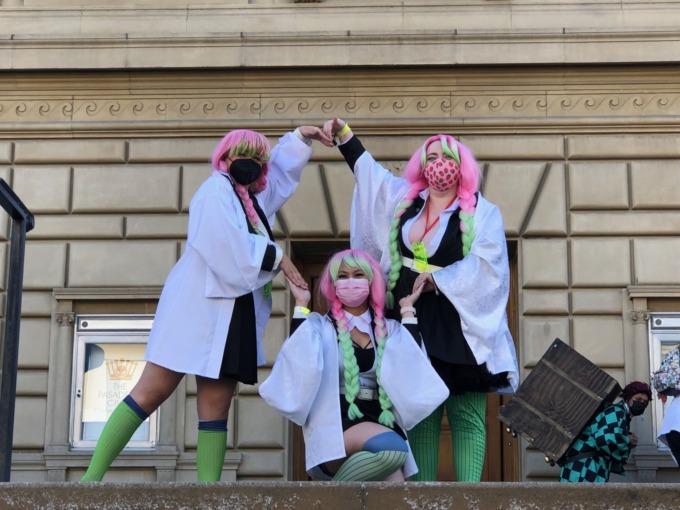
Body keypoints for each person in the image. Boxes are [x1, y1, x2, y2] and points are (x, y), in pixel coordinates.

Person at [81, 126, 333, 482]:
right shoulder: (215, 191)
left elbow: (276, 176)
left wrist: (300, 138)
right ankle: (90, 481)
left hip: (233, 312)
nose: (251, 164)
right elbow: (222, 242)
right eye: (242, 156)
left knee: (215, 407)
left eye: (257, 159)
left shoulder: (252, 199)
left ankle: (208, 495)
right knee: (152, 390)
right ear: (225, 158)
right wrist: (278, 257)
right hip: (197, 309)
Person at [321, 118, 519, 482]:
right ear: (420, 165)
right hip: (410, 320)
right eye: (430, 157)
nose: (437, 164)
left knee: (466, 416)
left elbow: (489, 264)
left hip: (459, 324)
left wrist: (440, 278)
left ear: (461, 166)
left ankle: (467, 500)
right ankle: (423, 498)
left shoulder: (483, 212)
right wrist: (346, 138)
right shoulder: (404, 202)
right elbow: (372, 179)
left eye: (445, 156)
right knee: (420, 415)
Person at [259, 249, 449, 481]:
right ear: (332, 283)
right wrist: (301, 305)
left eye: (358, 275)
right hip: (335, 426)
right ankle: (329, 501)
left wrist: (408, 309)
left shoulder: (387, 329)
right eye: (343, 275)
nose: (351, 281)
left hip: (378, 419)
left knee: (395, 488)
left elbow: (413, 366)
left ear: (371, 281)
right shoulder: (319, 327)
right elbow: (297, 363)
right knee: (393, 449)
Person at [559, 381, 652, 483]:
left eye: (645, 402)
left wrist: (626, 438)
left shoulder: (622, 414)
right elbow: (604, 439)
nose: (641, 403)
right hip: (585, 465)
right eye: (638, 399)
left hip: (586, 463)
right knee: (583, 497)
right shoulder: (617, 411)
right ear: (628, 398)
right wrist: (627, 440)